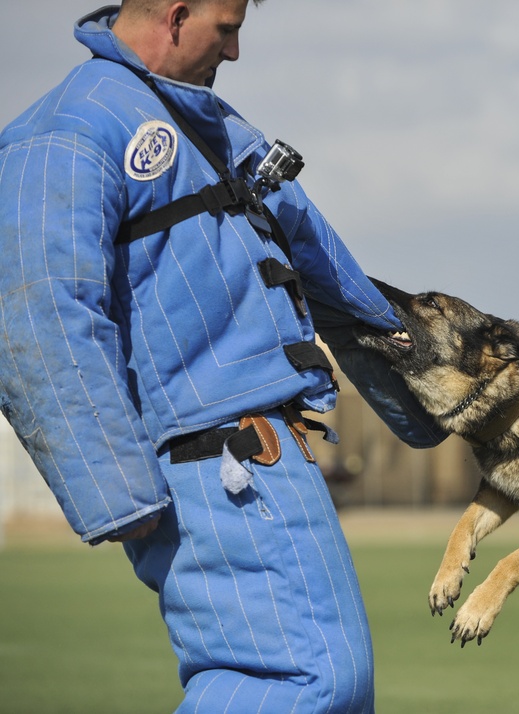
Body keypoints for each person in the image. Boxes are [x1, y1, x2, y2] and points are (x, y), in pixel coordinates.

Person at [0, 2, 445, 712]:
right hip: (219, 462)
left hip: (267, 456)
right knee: (305, 681)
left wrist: (443, 385)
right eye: (227, 28)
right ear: (176, 15)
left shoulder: (208, 121)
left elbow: (321, 261)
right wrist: (115, 489)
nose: (236, 52)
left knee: (329, 685)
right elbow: (35, 310)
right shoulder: (68, 129)